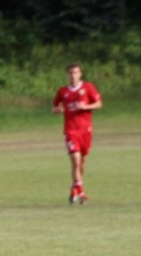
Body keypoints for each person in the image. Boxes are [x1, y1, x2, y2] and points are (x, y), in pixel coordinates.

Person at [52, 63, 102, 205]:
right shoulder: (63, 91)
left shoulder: (87, 88)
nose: (73, 75)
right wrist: (57, 110)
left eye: (76, 73)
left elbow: (98, 104)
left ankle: (75, 187)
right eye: (70, 73)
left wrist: (86, 106)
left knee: (82, 164)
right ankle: (81, 191)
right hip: (70, 131)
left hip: (86, 130)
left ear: (80, 74)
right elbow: (55, 107)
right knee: (76, 160)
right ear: (67, 75)